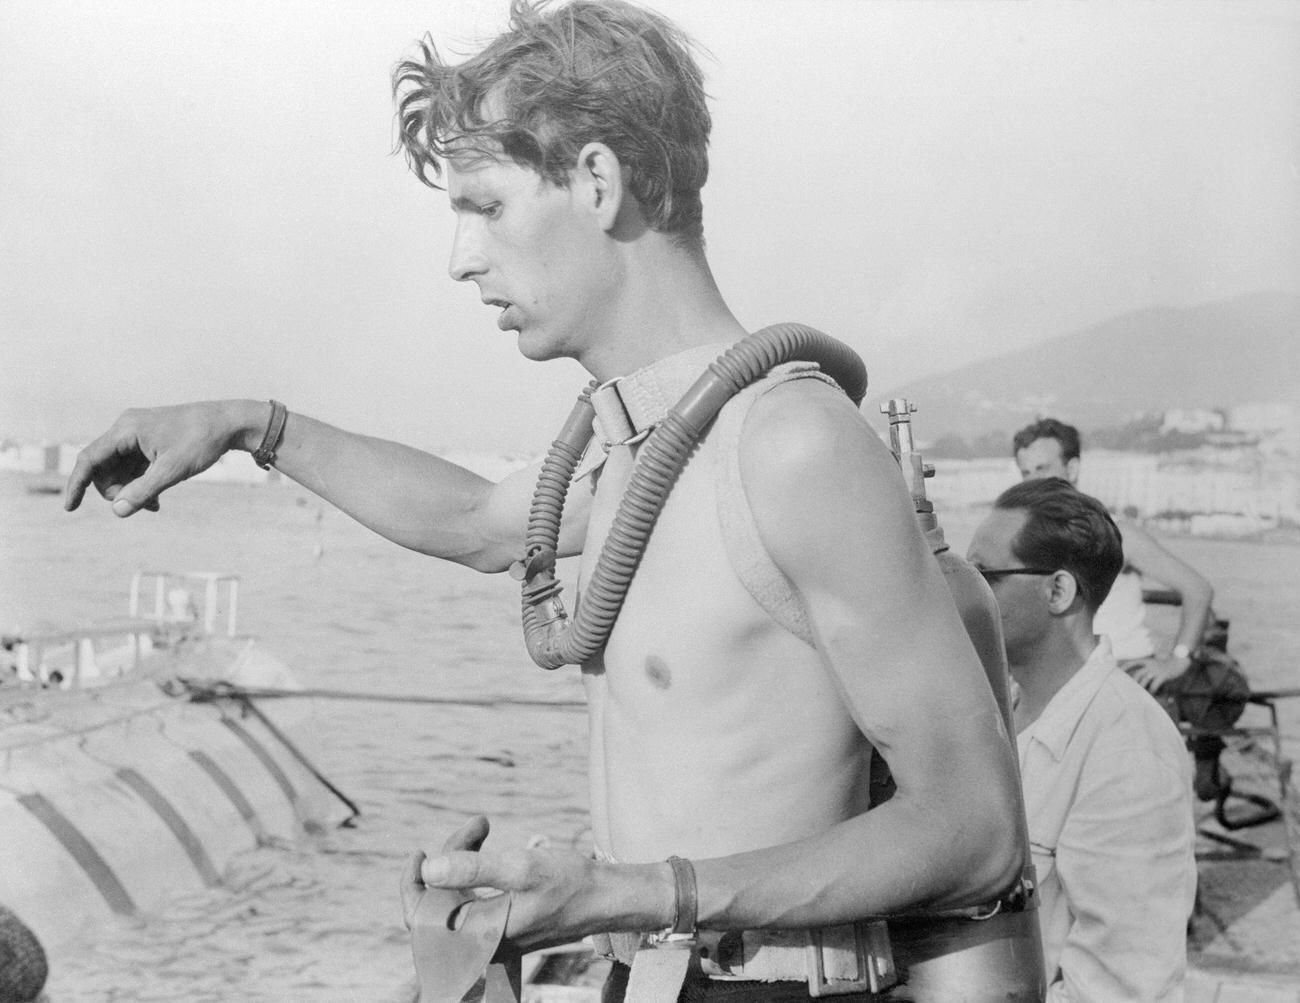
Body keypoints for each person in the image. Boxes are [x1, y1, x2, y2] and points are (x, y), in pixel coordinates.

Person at [65, 2, 1029, 998]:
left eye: (485, 207)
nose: (460, 258)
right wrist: (250, 425)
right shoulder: (639, 449)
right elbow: (478, 523)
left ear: (600, 183)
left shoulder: (788, 445)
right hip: (648, 972)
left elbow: (976, 829)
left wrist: (632, 894)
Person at [967, 477, 1196, 1002]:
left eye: (984, 575)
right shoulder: (997, 705)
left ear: (1058, 591)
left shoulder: (1129, 753)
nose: (963, 588)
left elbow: (1124, 988)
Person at [1013, 417, 1228, 799]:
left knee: (1130, 806)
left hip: (1125, 681)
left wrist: (1177, 659)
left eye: (1042, 469)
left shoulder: (1116, 533)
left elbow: (1197, 589)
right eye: (1025, 471)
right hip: (1065, 688)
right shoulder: (1032, 546)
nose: (1032, 482)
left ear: (1072, 468)